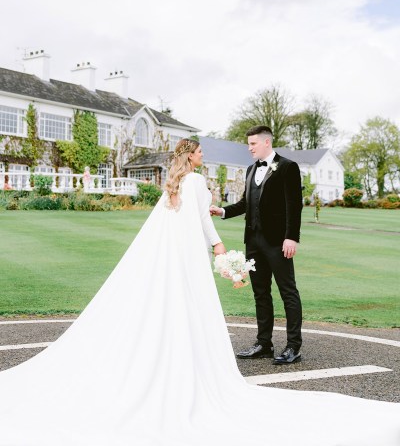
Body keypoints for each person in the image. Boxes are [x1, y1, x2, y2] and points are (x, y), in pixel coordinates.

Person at [0, 138, 398, 446]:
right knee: (201, 302)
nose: (205, 154)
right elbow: (202, 223)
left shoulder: (175, 183)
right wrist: (219, 247)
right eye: (200, 151)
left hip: (213, 249)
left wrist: (233, 223)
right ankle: (255, 343)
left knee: (205, 300)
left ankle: (283, 343)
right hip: (196, 252)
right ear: (190, 156)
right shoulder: (197, 181)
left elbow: (193, 216)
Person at [211, 125, 303, 365]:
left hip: (278, 242)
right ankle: (264, 343)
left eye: (253, 144)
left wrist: (291, 237)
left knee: (288, 292)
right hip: (253, 242)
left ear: (266, 143)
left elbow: (294, 205)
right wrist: (222, 211)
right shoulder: (251, 169)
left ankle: (294, 346)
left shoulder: (287, 167)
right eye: (249, 144)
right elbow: (245, 203)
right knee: (260, 293)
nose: (249, 148)